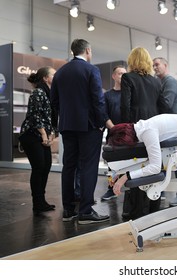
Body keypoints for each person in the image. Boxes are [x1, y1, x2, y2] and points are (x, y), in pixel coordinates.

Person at [50, 39, 109, 224]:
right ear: (88, 51)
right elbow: (97, 99)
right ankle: (85, 211)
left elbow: (54, 101)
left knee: (69, 166)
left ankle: (68, 210)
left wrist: (60, 120)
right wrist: (101, 122)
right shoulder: (92, 70)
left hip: (67, 126)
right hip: (88, 126)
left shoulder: (60, 72)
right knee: (88, 166)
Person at [120, 47, 165, 220]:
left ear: (132, 61)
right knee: (155, 166)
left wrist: (124, 129)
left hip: (137, 129)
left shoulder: (128, 78)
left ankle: (137, 212)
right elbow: (163, 107)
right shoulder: (156, 82)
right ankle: (154, 209)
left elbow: (125, 106)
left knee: (138, 167)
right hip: (155, 129)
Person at [19, 66, 57, 214]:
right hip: (31, 134)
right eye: (53, 75)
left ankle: (41, 201)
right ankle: (37, 202)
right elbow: (35, 116)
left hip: (43, 134)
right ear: (45, 78)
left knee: (46, 165)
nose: (56, 77)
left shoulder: (49, 93)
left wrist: (52, 133)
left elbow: (51, 118)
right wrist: (43, 135)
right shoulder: (38, 92)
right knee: (39, 166)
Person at [153, 56, 177, 207]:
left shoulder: (170, 81)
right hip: (165, 125)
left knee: (174, 160)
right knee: (164, 159)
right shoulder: (162, 82)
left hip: (171, 126)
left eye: (157, 64)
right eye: (153, 65)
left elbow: (166, 104)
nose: (155, 67)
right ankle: (164, 190)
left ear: (165, 65)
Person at [100, 65, 127, 201]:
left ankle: (130, 188)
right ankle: (111, 189)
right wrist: (114, 128)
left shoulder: (129, 94)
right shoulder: (107, 95)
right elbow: (104, 115)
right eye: (120, 73)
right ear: (114, 76)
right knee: (112, 163)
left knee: (130, 161)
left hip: (129, 134)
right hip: (113, 133)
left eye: (124, 73)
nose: (122, 76)